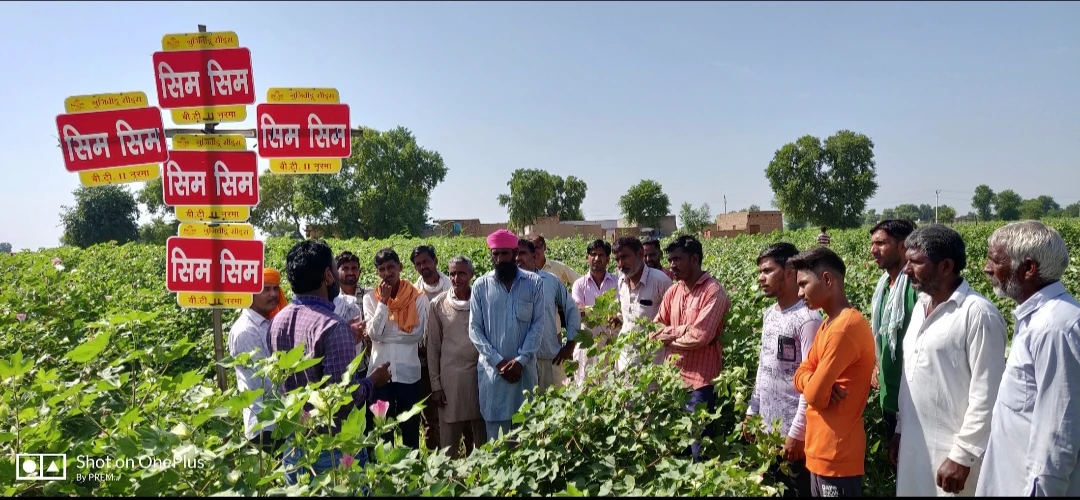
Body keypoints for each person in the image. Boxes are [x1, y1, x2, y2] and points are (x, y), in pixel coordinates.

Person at [890, 225, 1007, 497]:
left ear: (945, 266)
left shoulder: (977, 314)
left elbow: (987, 394)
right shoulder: (920, 307)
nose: (907, 269)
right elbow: (912, 379)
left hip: (952, 456)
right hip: (914, 447)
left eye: (916, 262)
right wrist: (899, 428)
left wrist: (963, 456)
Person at [268, 240, 392, 485]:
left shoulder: (278, 321)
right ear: (327, 275)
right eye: (335, 269)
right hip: (332, 450)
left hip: (295, 446)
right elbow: (342, 400)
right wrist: (372, 381)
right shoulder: (333, 327)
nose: (337, 275)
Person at [976, 221, 1080, 497]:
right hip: (1013, 478)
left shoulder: (1055, 327)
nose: (988, 269)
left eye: (996, 260)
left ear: (1028, 268)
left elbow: (1058, 427)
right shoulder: (1037, 319)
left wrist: (1040, 491)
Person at [790, 246, 876, 497]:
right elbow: (801, 372)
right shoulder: (829, 323)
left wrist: (814, 382)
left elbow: (815, 395)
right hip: (821, 451)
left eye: (804, 284)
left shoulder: (844, 328)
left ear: (827, 280)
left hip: (837, 455)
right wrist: (813, 379)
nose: (799, 292)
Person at [743, 243, 822, 497]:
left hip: (794, 436)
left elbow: (812, 383)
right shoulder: (769, 314)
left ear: (790, 271)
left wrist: (797, 432)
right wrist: (752, 409)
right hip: (768, 432)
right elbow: (764, 366)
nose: (760, 278)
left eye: (767, 270)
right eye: (760, 272)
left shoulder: (808, 319)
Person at [651, 235, 730, 462]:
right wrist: (682, 330)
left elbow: (700, 336)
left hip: (700, 383)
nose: (671, 265)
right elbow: (654, 330)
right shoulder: (673, 291)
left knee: (698, 449)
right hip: (672, 380)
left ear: (695, 259)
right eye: (670, 260)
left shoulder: (713, 292)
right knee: (676, 449)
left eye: (677, 259)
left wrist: (669, 335)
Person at [469, 230, 547, 442]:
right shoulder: (480, 286)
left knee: (527, 442)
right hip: (494, 376)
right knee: (497, 446)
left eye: (505, 253)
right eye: (496, 254)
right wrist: (499, 362)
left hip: (525, 375)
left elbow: (538, 325)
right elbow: (475, 330)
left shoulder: (534, 283)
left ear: (515, 253)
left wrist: (521, 361)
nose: (500, 259)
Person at [363, 247, 430, 450]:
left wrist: (385, 335)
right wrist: (383, 302)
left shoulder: (418, 297)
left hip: (408, 374)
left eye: (391, 267)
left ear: (400, 267)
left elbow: (417, 335)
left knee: (410, 429)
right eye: (382, 269)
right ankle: (384, 477)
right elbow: (374, 334)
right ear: (377, 273)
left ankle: (411, 475)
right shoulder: (371, 299)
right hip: (380, 375)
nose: (387, 273)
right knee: (383, 431)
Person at [425, 256, 486, 458]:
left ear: (471, 274)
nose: (456, 278)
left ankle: (481, 481)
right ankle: (450, 482)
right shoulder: (438, 305)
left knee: (481, 436)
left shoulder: (482, 301)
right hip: (451, 380)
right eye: (452, 273)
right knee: (449, 441)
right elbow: (433, 347)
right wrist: (436, 386)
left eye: (461, 273)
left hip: (479, 376)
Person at [228, 268, 288, 454]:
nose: (273, 295)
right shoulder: (246, 330)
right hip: (265, 424)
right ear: (250, 294)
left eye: (275, 288)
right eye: (266, 289)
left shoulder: (267, 322)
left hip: (278, 418)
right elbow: (264, 381)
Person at [868, 219, 918, 443]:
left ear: (903, 246)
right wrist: (874, 362)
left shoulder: (917, 289)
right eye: (872, 244)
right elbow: (878, 335)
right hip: (889, 396)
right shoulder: (883, 286)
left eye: (880, 243)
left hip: (913, 402)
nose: (873, 250)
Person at [516, 238, 580, 392]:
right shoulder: (509, 284)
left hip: (550, 358)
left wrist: (570, 344)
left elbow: (571, 309)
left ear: (534, 256)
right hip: (519, 363)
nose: (518, 258)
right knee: (526, 411)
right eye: (515, 254)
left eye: (523, 253)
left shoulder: (550, 281)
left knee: (555, 409)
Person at [411, 245, 452, 452]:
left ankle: (459, 456)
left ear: (435, 261)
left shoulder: (451, 285)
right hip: (423, 361)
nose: (423, 266)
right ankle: (436, 459)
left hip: (450, 357)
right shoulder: (412, 292)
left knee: (455, 410)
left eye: (426, 261)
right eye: (418, 264)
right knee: (429, 416)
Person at [612, 236, 673, 372]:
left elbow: (673, 322)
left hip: (652, 362)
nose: (621, 264)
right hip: (625, 359)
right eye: (617, 260)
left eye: (625, 257)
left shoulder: (661, 281)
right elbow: (628, 316)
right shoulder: (621, 281)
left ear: (640, 254)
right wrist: (618, 318)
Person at [570, 239, 618, 386]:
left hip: (611, 343)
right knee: (585, 386)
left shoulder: (618, 282)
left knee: (611, 386)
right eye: (593, 254)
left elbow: (620, 310)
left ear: (608, 259)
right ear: (587, 258)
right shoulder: (579, 284)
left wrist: (590, 311)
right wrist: (605, 313)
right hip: (587, 345)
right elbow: (579, 310)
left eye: (601, 255)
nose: (597, 258)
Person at [335, 251, 371, 372]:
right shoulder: (332, 298)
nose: (350, 272)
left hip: (366, 364)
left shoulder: (370, 295)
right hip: (339, 366)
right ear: (336, 272)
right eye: (345, 268)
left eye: (354, 268)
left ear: (359, 272)